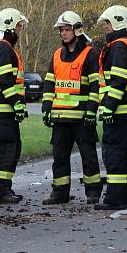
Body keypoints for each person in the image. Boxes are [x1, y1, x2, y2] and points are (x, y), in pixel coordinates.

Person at [40, 11, 102, 205]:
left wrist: (92, 110)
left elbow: (96, 84)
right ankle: (60, 192)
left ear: (77, 30)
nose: (63, 34)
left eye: (67, 30)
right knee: (59, 156)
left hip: (82, 117)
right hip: (60, 116)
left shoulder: (90, 53)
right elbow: (50, 83)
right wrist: (46, 108)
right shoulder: (57, 54)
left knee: (88, 156)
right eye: (61, 30)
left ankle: (93, 192)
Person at [94, 5, 127, 211]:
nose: (105, 27)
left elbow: (118, 81)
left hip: (119, 112)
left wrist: (108, 108)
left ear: (118, 22)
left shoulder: (118, 47)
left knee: (114, 155)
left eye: (108, 23)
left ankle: (115, 199)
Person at [0, 8, 29, 204]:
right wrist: (17, 103)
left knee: (13, 147)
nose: (20, 30)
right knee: (5, 149)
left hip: (4, 109)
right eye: (19, 26)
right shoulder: (3, 48)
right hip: (4, 110)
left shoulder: (3, 47)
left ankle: (4, 189)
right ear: (11, 26)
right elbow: (4, 80)